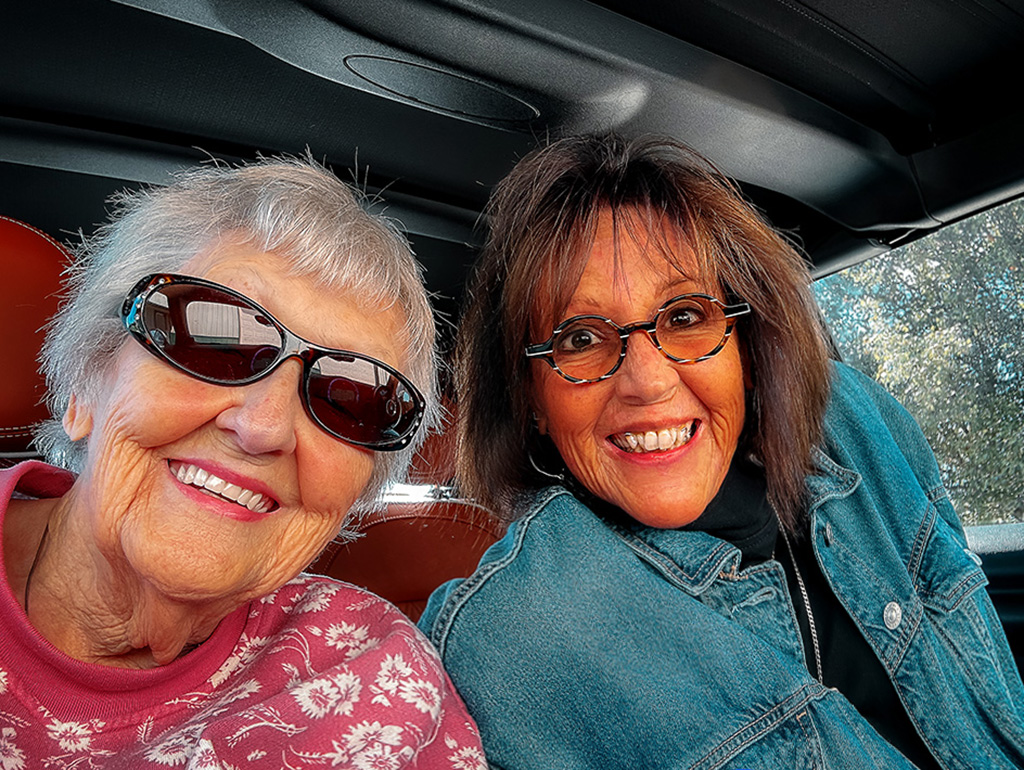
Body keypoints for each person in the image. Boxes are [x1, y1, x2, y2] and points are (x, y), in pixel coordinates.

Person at [419, 134, 1024, 769]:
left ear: (748, 343)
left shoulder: (857, 422)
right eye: (581, 338)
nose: (647, 382)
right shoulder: (509, 636)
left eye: (683, 317)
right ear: (531, 399)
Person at [1, 158, 485, 768]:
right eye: (214, 340)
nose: (262, 429)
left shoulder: (373, 675)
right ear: (85, 386)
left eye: (351, 398)